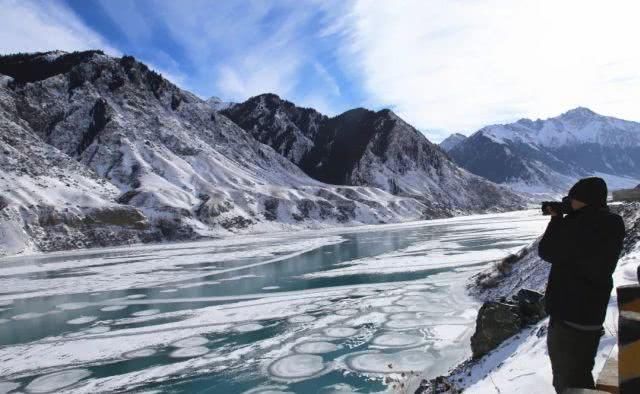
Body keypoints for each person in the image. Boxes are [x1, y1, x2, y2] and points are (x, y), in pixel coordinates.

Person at [538, 177, 625, 393]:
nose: (569, 201)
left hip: (568, 317)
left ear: (583, 200)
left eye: (572, 198)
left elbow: (547, 250)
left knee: (567, 381)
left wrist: (557, 219)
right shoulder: (613, 223)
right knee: (582, 373)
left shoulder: (575, 225)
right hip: (592, 315)